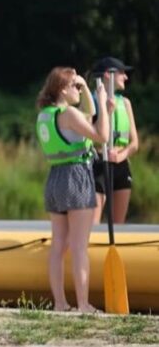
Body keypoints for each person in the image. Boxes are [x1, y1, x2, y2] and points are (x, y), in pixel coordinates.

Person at [36, 67, 112, 313]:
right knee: (79, 246)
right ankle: (83, 305)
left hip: (55, 179)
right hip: (76, 177)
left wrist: (87, 90)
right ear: (62, 89)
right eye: (75, 87)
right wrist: (101, 99)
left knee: (59, 245)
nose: (78, 90)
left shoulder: (45, 115)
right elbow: (102, 135)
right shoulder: (68, 114)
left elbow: (87, 117)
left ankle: (60, 303)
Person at [90, 57, 139, 225]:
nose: (125, 77)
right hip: (98, 163)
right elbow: (89, 134)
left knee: (119, 224)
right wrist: (107, 111)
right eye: (122, 73)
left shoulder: (125, 103)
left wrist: (120, 156)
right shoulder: (91, 101)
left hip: (121, 164)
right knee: (93, 222)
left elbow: (134, 143)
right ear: (108, 75)